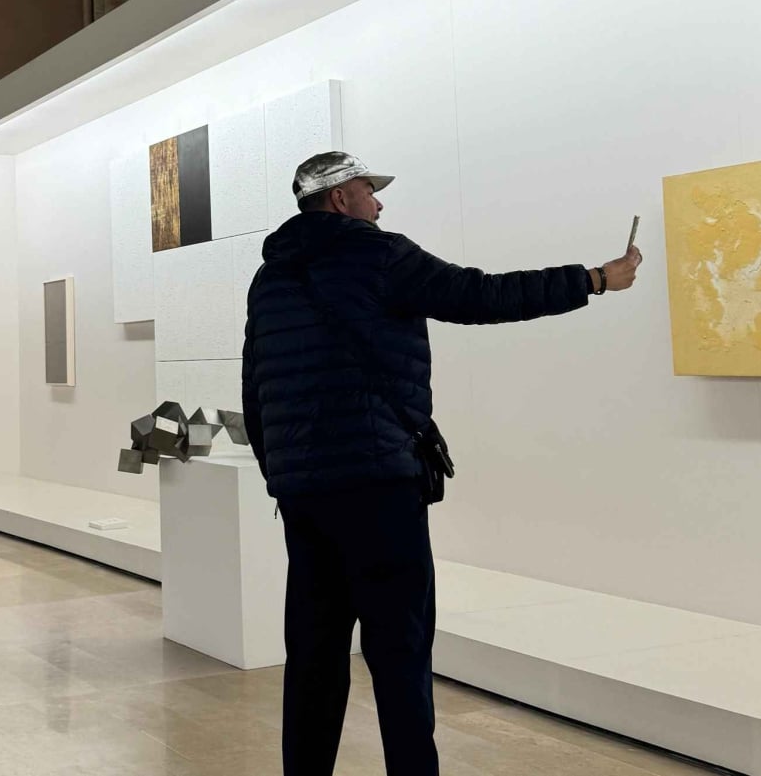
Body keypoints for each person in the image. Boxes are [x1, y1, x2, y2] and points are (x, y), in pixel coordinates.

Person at [241, 151, 642, 776]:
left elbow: (254, 388)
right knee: (399, 654)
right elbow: (480, 295)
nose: (379, 203)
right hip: (378, 486)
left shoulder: (269, 278)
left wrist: (283, 474)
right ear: (341, 198)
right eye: (369, 190)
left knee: (314, 656)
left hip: (304, 495)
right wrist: (592, 279)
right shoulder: (378, 254)